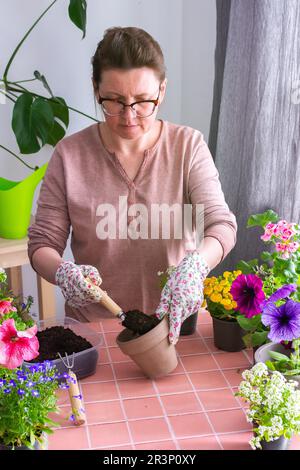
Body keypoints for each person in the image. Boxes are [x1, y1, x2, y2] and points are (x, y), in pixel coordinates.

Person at [28, 26, 237, 345]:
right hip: (93, 331)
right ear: (96, 89)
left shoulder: (187, 147)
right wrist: (62, 272)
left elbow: (221, 226)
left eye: (143, 101)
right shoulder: (69, 156)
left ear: (162, 91)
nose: (129, 116)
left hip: (175, 325)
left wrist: (198, 264)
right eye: (114, 101)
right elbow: (42, 244)